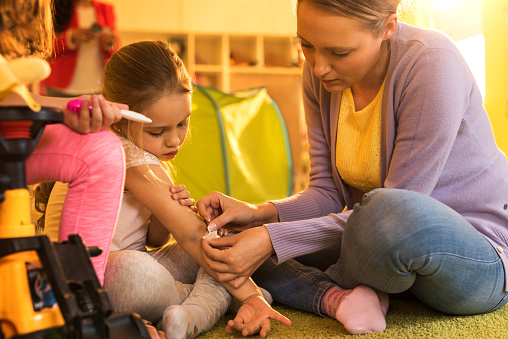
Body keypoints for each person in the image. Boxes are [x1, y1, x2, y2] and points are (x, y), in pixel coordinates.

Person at [196, 0, 508, 335]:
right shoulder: (320, 78)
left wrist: (271, 239)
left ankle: (349, 281)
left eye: (339, 52)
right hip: (377, 244)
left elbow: (396, 211)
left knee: (383, 212)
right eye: (306, 46)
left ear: (387, 27)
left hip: (479, 255)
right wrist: (260, 215)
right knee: (229, 242)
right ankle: (337, 298)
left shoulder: (432, 63)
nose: (318, 67)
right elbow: (327, 192)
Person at [40, 40, 290, 339]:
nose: (174, 141)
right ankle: (202, 304)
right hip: (107, 282)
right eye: (157, 131)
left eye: (183, 124)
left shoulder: (138, 148)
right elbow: (189, 234)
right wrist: (250, 295)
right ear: (122, 118)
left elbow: (153, 239)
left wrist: (162, 217)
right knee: (192, 256)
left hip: (126, 273)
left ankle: (191, 302)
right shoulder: (124, 154)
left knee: (230, 236)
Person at [0, 0, 125, 286]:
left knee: (101, 149)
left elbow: (12, 94)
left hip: (42, 106)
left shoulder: (101, 8)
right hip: (57, 85)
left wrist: (68, 108)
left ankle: (81, 294)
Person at [42, 0, 119, 97]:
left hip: (98, 85)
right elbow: (44, 46)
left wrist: (109, 42)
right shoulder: (56, 7)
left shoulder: (106, 9)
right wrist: (71, 37)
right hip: (60, 84)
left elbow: (116, 45)